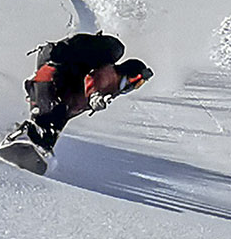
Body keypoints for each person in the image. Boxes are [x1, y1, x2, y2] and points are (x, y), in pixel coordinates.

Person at [12, 36, 152, 153]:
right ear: (131, 76)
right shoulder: (111, 74)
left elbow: (70, 109)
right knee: (45, 118)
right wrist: (94, 96)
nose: (134, 88)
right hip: (50, 80)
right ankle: (23, 137)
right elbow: (92, 79)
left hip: (49, 85)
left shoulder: (111, 88)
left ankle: (24, 143)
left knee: (50, 128)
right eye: (137, 84)